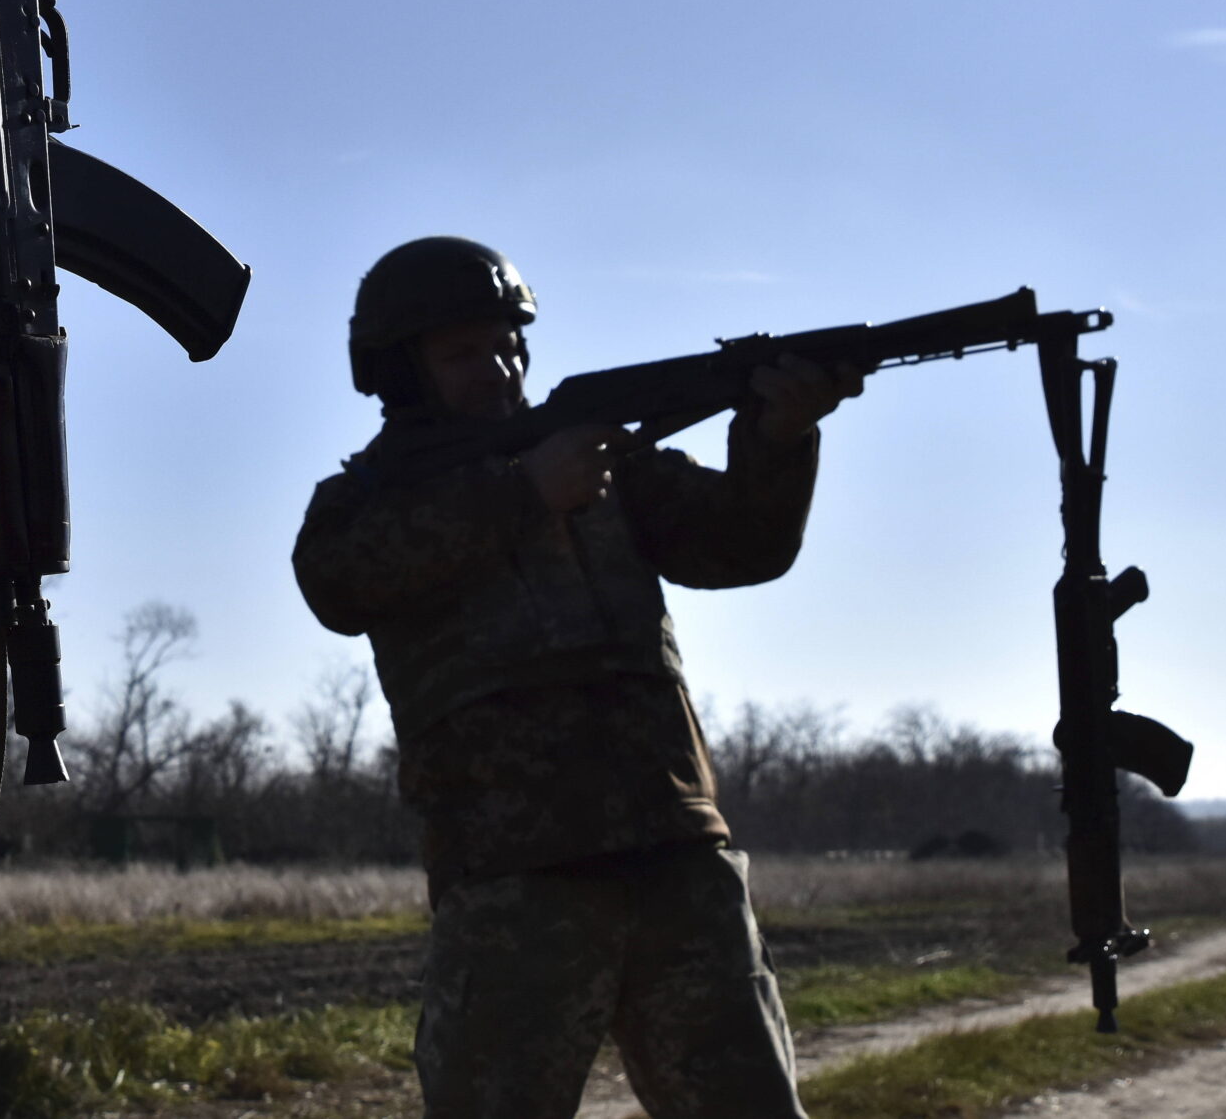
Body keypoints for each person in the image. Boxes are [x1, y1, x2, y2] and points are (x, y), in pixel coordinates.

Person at [291, 237, 862, 1119]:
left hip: (677, 858)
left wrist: (778, 438)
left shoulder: (607, 465)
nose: (497, 366)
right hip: (517, 881)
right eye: (461, 353)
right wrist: (522, 493)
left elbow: (743, 544)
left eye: (507, 343)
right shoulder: (367, 498)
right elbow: (335, 580)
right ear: (401, 373)